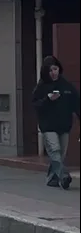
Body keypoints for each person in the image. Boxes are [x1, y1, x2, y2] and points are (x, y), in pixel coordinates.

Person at [32, 55, 80, 190]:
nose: (53, 73)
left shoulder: (66, 86)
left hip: (64, 125)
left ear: (59, 69)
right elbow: (35, 105)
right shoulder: (41, 87)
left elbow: (76, 103)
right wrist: (48, 100)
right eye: (50, 70)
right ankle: (64, 176)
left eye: (55, 69)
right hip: (48, 126)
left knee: (61, 155)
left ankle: (52, 178)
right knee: (55, 150)